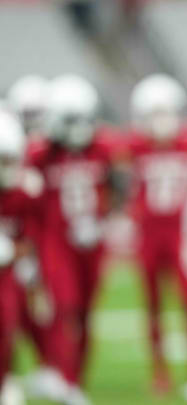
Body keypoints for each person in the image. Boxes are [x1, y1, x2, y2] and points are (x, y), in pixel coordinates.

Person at [27, 74, 117, 405]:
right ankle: (64, 378)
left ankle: (75, 379)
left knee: (85, 313)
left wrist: (104, 220)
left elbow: (116, 188)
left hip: (91, 243)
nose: (79, 127)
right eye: (71, 120)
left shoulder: (103, 149)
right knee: (65, 308)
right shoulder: (40, 154)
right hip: (56, 241)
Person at [127, 74, 187, 396]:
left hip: (179, 232)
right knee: (153, 304)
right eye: (153, 115)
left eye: (165, 113)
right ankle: (159, 369)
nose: (160, 122)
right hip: (148, 234)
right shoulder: (134, 146)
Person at [0, 110, 42, 405]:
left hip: (6, 272)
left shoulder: (25, 191)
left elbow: (31, 236)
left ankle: (7, 380)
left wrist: (19, 254)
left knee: (7, 323)